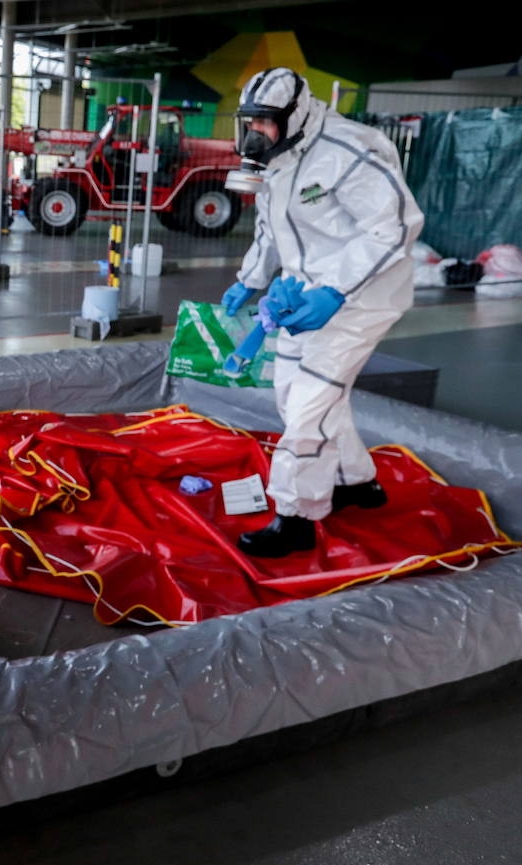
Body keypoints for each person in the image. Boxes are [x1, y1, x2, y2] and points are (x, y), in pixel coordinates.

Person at [219, 67, 424, 558]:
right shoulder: (278, 158)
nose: (256, 132)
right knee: (294, 393)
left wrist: (335, 291)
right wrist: (251, 278)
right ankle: (357, 481)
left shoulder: (346, 153)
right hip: (302, 292)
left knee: (310, 401)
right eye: (250, 121)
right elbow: (273, 228)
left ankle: (296, 516)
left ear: (296, 114)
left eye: (266, 121)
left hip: (363, 294)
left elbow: (395, 227)